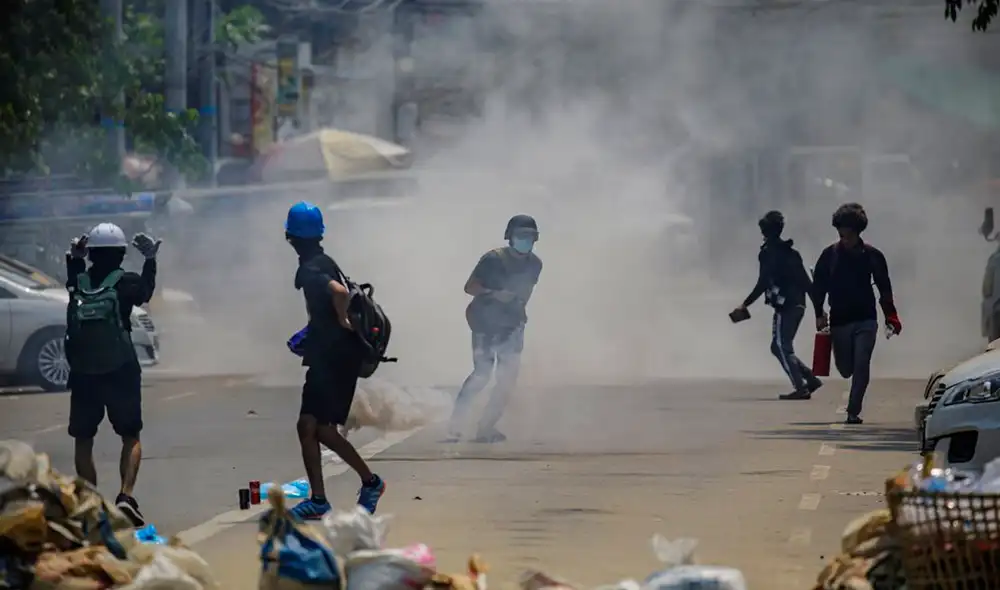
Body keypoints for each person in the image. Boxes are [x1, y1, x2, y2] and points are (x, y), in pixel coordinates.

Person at [284, 201, 386, 519]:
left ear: (290, 237)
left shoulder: (311, 268)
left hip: (334, 357)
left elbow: (339, 293)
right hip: (332, 355)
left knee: (322, 430)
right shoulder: (324, 260)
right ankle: (319, 499)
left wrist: (340, 322)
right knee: (308, 426)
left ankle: (370, 482)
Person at [65, 222, 161, 527]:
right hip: (121, 370)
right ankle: (125, 496)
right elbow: (146, 293)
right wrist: (150, 260)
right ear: (122, 253)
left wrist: (75, 257)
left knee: (83, 438)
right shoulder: (126, 282)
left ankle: (92, 503)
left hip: (83, 373)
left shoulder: (78, 282)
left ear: (91, 253)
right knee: (130, 435)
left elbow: (74, 274)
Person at [446, 214, 543, 443]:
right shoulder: (493, 259)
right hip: (485, 324)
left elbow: (527, 292)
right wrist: (494, 294)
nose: (525, 241)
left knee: (507, 379)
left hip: (513, 326)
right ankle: (456, 424)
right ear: (510, 237)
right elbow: (470, 287)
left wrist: (517, 312)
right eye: (521, 236)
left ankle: (486, 427)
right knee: (482, 374)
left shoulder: (535, 264)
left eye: (530, 237)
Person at [811, 203, 902, 425]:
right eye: (841, 233)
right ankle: (850, 389)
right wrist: (818, 312)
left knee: (862, 362)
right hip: (840, 321)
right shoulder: (829, 255)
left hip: (866, 319)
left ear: (858, 231)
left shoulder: (873, 256)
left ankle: (853, 411)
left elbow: (884, 288)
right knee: (845, 369)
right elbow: (818, 287)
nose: (844, 238)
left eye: (848, 234)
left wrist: (891, 317)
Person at [733, 211, 823, 401]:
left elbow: (763, 282)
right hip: (798, 304)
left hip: (786, 306)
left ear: (764, 231)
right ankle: (810, 379)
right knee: (778, 346)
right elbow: (808, 284)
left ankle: (801, 387)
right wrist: (818, 310)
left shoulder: (767, 253)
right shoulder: (792, 253)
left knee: (783, 346)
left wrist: (745, 304)